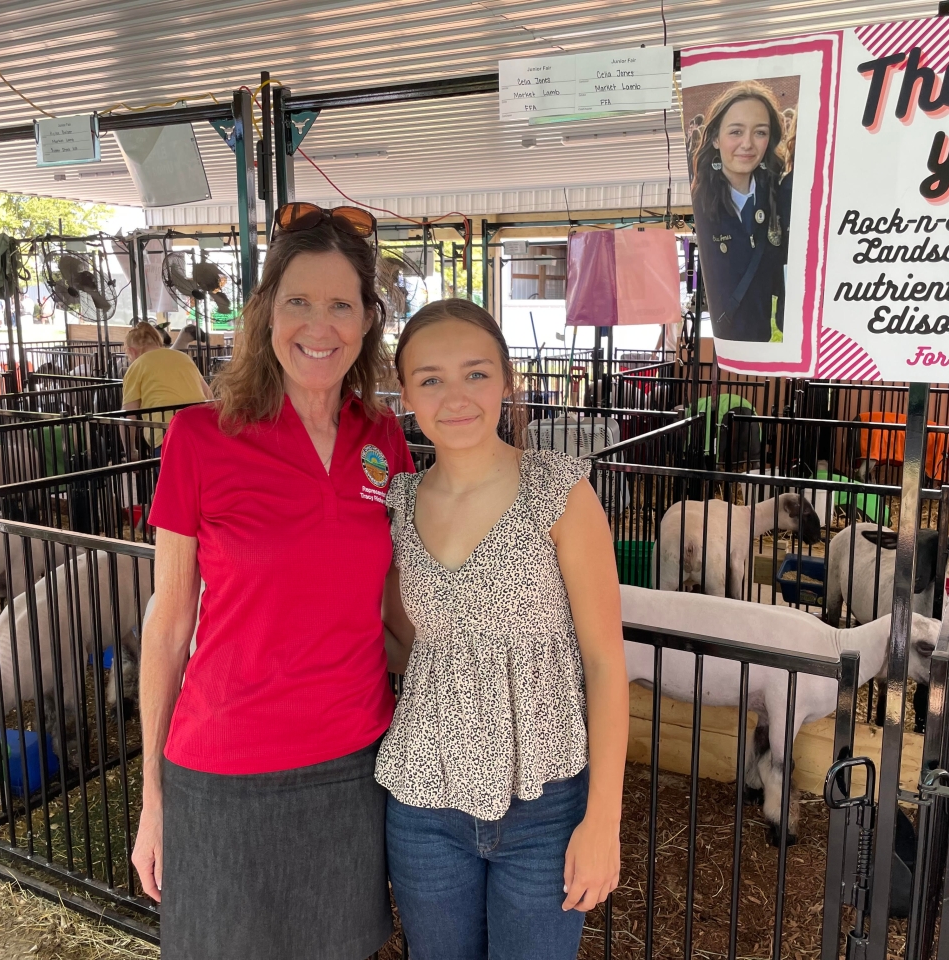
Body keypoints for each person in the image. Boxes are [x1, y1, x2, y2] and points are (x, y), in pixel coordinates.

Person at [131, 203, 414, 960]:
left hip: (353, 765)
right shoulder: (199, 437)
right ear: (264, 313)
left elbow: (400, 604)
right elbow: (166, 629)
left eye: (339, 306)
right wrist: (153, 800)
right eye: (297, 302)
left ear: (365, 321)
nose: (318, 327)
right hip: (222, 768)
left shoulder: (381, 437)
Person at [379, 298, 628, 960]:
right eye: (430, 378)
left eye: (476, 373)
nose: (455, 396)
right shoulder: (400, 504)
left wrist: (603, 820)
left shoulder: (558, 491)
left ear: (507, 379)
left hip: (545, 808)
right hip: (424, 801)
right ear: (404, 393)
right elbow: (407, 643)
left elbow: (605, 662)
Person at [690, 81, 792, 343]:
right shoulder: (698, 203)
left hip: (762, 350)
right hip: (718, 352)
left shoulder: (780, 199)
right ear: (715, 138)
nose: (747, 144)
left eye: (760, 133)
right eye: (736, 132)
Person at [121, 322, 213, 452]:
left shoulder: (137, 366)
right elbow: (209, 396)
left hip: (165, 434)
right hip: (200, 431)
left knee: (169, 472)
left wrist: (130, 451)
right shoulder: (184, 357)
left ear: (132, 351)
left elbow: (128, 415)